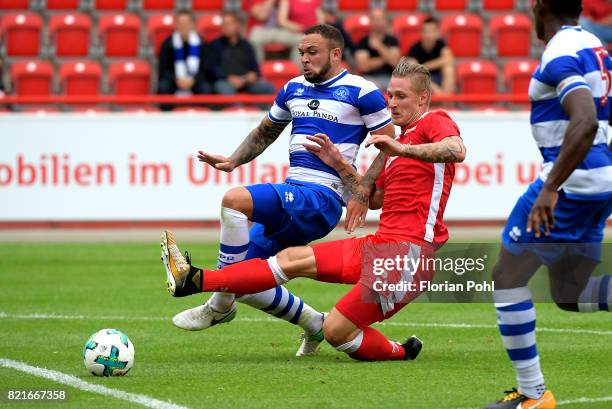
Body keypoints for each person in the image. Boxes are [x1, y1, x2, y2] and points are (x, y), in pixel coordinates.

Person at [161, 59, 467, 362]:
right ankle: (194, 280)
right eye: (390, 95)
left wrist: (404, 150)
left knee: (336, 331)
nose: (392, 103)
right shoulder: (396, 145)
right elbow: (373, 199)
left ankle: (401, 352)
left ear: (423, 98)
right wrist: (339, 163)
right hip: (381, 245)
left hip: (408, 257)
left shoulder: (433, 122)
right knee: (289, 260)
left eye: (401, 96)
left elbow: (457, 150)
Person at [165, 24, 397, 357]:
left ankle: (218, 305)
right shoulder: (292, 89)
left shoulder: (362, 92)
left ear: (335, 53)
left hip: (322, 199)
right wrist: (233, 160)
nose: (304, 59)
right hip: (295, 193)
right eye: (301, 53)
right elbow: (264, 132)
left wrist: (361, 193)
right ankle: (315, 324)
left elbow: (388, 145)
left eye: (311, 52)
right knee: (246, 277)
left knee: (234, 201)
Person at [482, 1, 612, 408]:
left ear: (539, 8)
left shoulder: (560, 52)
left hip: (572, 183)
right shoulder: (595, 46)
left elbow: (586, 119)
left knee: (507, 277)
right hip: (600, 180)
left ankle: (532, 394)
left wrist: (551, 186)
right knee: (569, 293)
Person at [207, 11, 276, 95]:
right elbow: (211, 69)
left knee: (268, 87)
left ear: (237, 25)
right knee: (223, 88)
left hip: (245, 82)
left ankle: (264, 108)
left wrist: (253, 75)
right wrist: (228, 77)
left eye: (229, 24)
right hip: (225, 81)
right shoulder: (214, 45)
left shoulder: (247, 46)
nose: (226, 27)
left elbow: (255, 69)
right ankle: (237, 108)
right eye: (224, 24)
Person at [157, 10, 211, 111]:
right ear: (176, 25)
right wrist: (177, 80)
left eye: (186, 23)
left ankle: (202, 117)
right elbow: (163, 70)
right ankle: (165, 117)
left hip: (195, 81)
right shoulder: (168, 44)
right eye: (180, 23)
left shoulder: (202, 43)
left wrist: (193, 80)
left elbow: (206, 69)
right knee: (163, 86)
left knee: (205, 88)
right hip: (175, 82)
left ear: (192, 25)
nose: (183, 26)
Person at [249, 0, 324, 67]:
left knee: (301, 40)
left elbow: (320, 21)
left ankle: (298, 74)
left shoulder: (315, 2)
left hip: (292, 33)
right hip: (267, 31)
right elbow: (263, 16)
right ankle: (256, 72)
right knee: (255, 36)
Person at [354, 8, 401, 90]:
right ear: (370, 21)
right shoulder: (363, 42)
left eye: (380, 19)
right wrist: (386, 58)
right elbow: (363, 66)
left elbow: (395, 63)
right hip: (368, 79)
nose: (377, 22)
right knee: (371, 88)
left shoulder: (392, 40)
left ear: (386, 21)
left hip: (390, 78)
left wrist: (379, 46)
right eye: (374, 19)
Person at [406, 16, 455, 94]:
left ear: (438, 32)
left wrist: (425, 66)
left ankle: (446, 100)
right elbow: (414, 69)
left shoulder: (441, 45)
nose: (429, 34)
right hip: (422, 80)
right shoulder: (415, 48)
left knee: (448, 68)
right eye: (426, 31)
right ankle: (444, 98)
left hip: (439, 77)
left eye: (432, 31)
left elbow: (449, 59)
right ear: (422, 33)